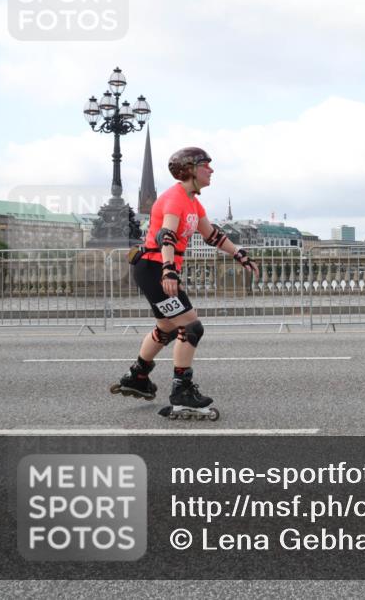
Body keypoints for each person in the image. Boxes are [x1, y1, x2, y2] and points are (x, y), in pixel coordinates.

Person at [110, 147, 259, 420]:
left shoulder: (193, 202)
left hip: (156, 267)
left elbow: (211, 234)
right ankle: (182, 391)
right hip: (154, 267)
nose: (211, 170)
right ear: (190, 169)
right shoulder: (175, 199)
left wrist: (238, 254)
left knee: (167, 327)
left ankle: (137, 376)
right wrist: (168, 271)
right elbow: (166, 235)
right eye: (206, 165)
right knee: (191, 326)